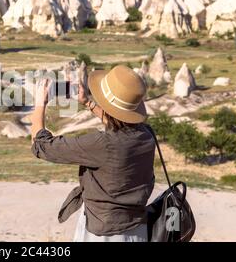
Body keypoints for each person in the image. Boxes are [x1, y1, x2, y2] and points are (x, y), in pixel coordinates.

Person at [30, 65, 155, 242]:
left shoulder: (102, 144)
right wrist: (88, 103)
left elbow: (41, 146)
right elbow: (120, 126)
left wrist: (39, 105)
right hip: (137, 230)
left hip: (103, 234)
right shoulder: (146, 134)